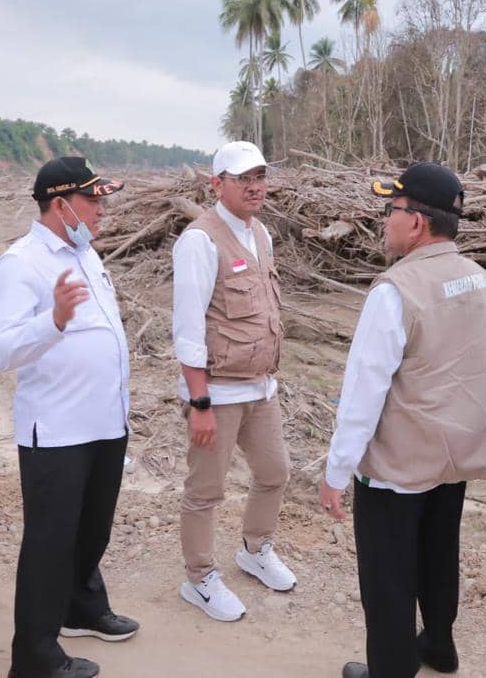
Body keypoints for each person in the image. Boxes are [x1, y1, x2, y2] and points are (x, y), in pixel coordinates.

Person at [322, 162, 486, 678]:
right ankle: (440, 646)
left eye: (392, 210)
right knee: (438, 553)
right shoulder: (482, 281)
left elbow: (363, 392)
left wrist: (338, 470)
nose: (386, 220)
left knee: (387, 578)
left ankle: (391, 668)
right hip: (457, 455)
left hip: (400, 464)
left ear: (418, 222)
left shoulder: (394, 290)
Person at [0, 156, 139, 678]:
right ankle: (34, 656)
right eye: (93, 200)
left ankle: (82, 606)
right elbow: (1, 352)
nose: (102, 210)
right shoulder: (21, 263)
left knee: (93, 530)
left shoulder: (87, 254)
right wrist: (52, 320)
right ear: (60, 204)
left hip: (105, 422)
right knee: (50, 543)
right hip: (56, 430)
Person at [173, 140, 295, 622]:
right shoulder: (200, 241)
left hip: (260, 386)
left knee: (274, 472)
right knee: (206, 490)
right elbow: (187, 328)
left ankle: (255, 549)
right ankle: (199, 577)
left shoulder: (261, 233)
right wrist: (199, 402)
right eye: (243, 178)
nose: (254, 186)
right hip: (218, 393)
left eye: (260, 176)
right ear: (216, 183)